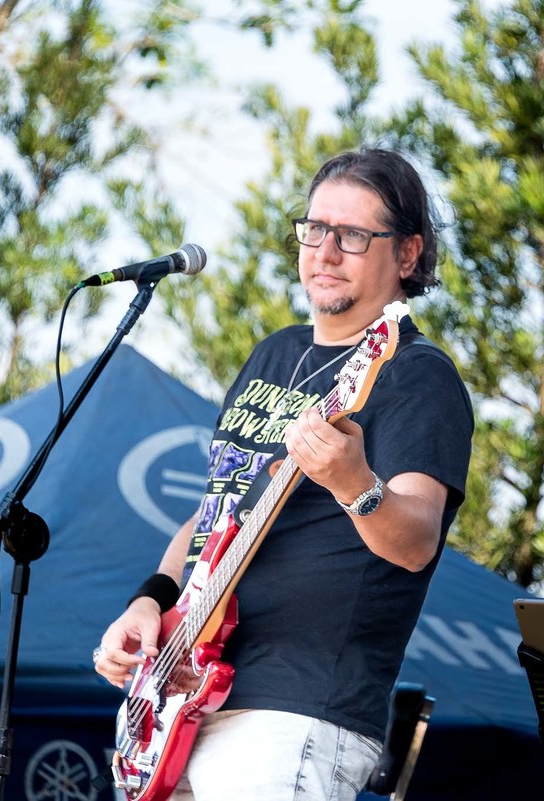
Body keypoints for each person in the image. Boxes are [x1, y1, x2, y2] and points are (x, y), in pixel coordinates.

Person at [94, 149, 474, 801]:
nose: (325, 251)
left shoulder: (415, 374)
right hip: (182, 694)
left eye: (353, 235)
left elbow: (415, 541)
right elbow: (214, 512)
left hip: (294, 711)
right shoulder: (274, 352)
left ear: (408, 254)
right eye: (315, 228)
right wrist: (150, 601)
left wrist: (353, 483)